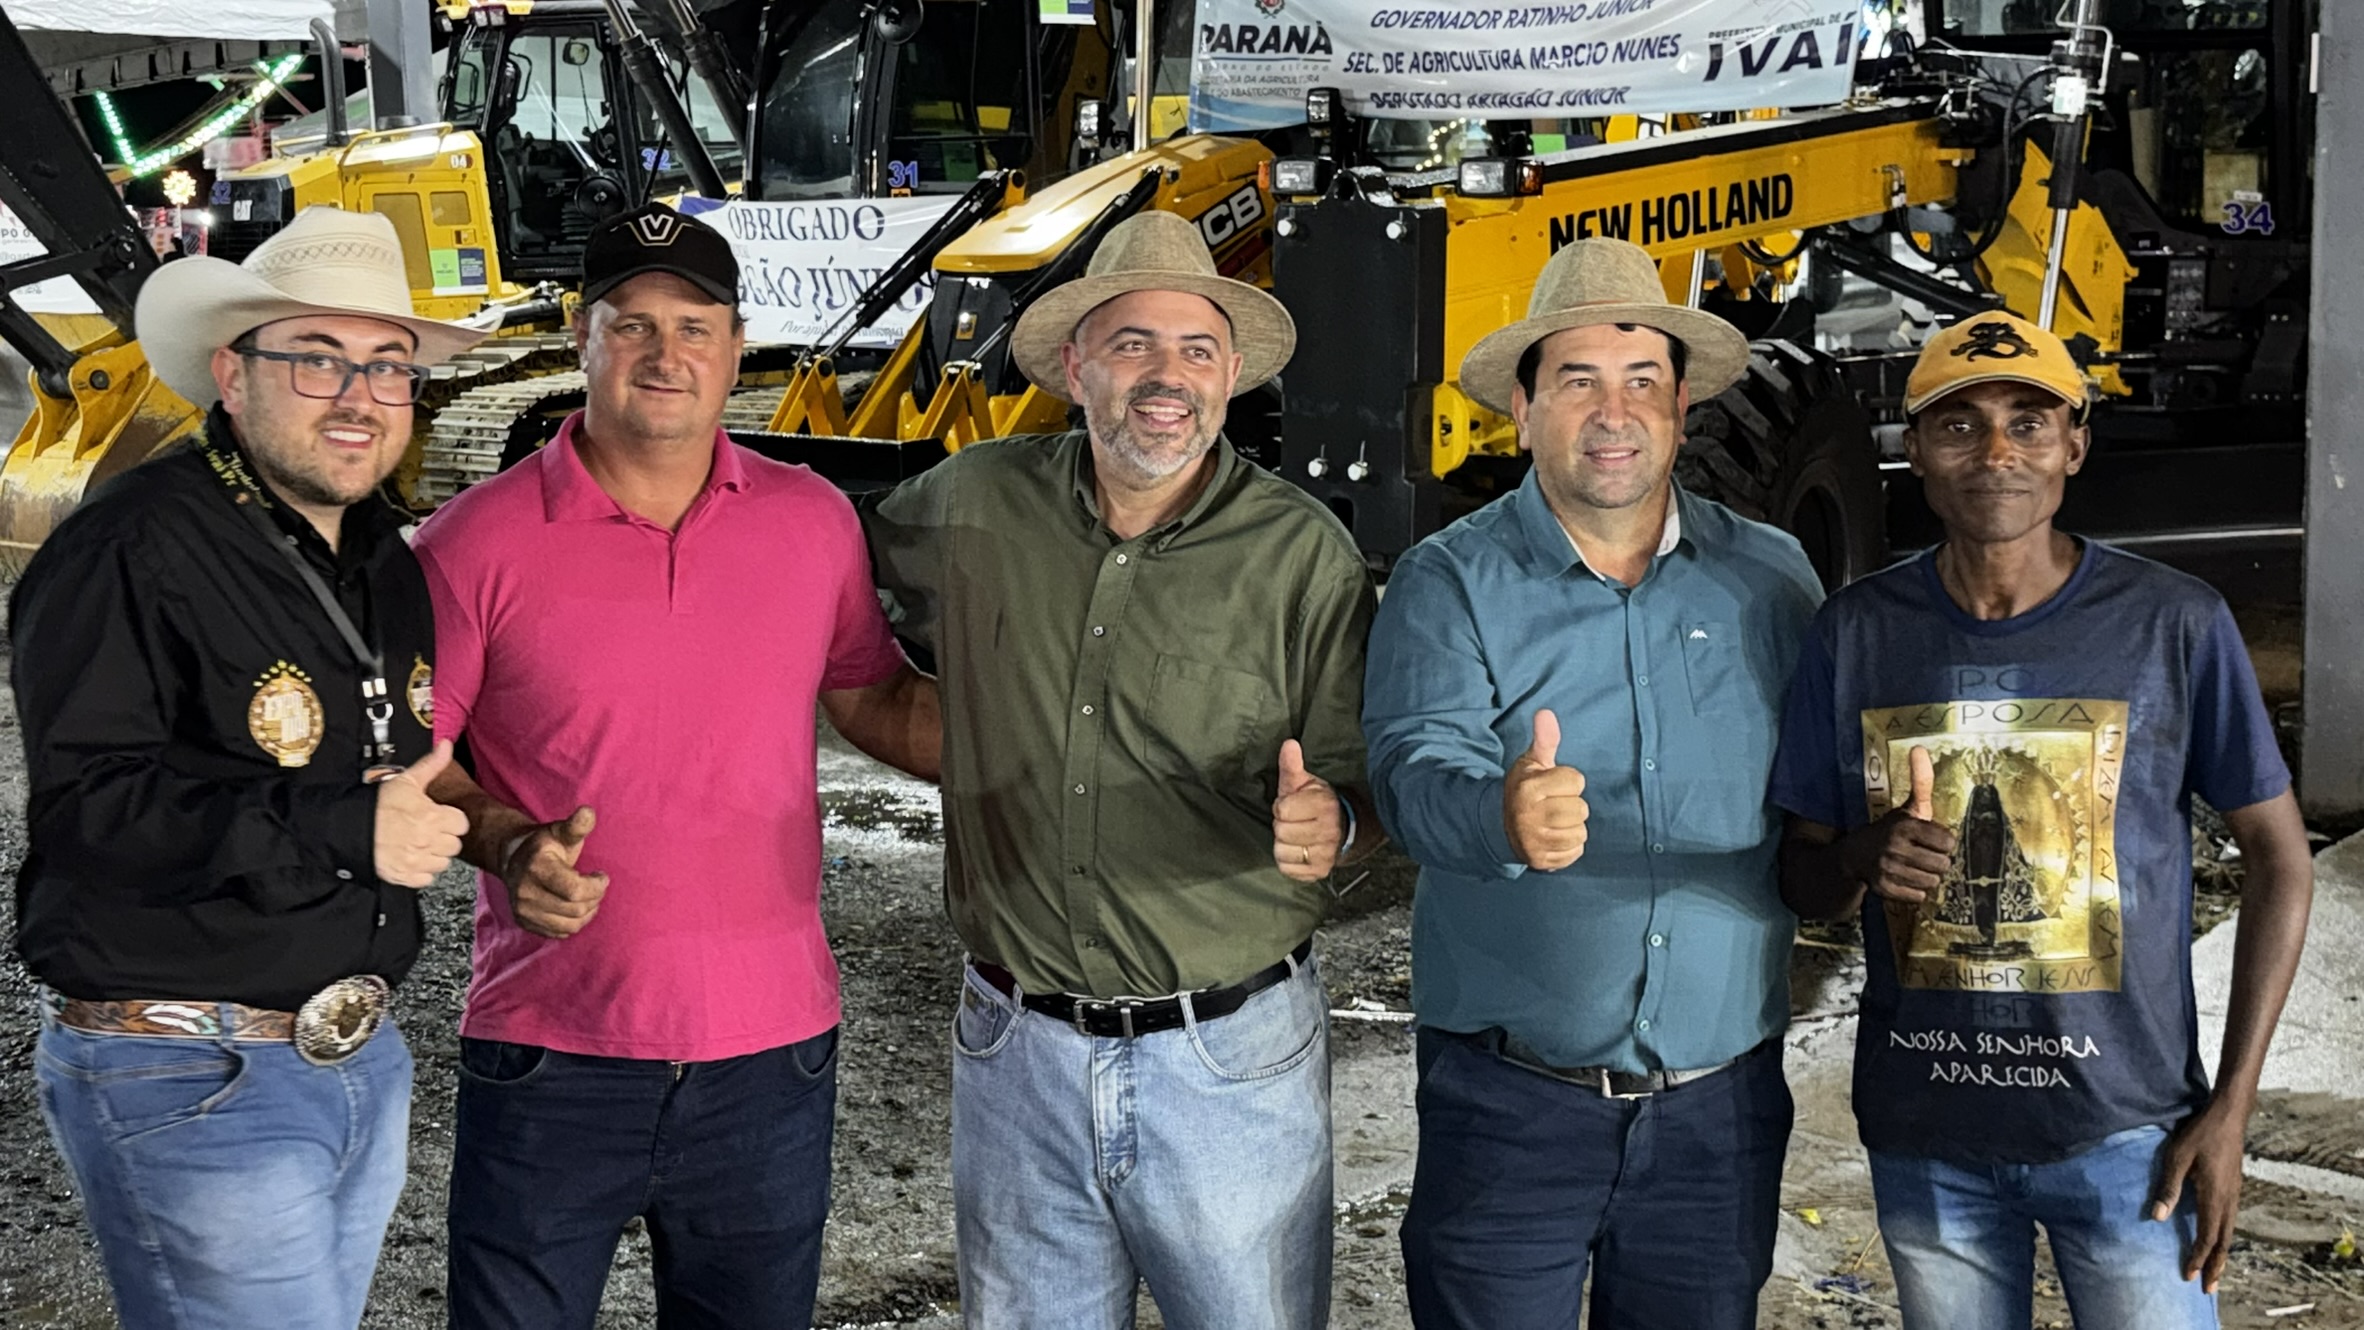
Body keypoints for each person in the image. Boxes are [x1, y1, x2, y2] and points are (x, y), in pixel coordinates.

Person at [413, 202, 940, 1329]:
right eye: (634, 324)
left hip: (771, 1055)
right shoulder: (471, 544)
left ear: (736, 348)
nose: (667, 354)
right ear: (582, 336)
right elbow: (418, 764)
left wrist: (1063, 742)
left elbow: (875, 698)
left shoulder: (811, 522)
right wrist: (509, 845)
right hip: (550, 1051)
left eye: (695, 327)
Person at [861, 209, 1378, 1328]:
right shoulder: (970, 502)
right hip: (1015, 1053)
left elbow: (1364, 787)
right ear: (1075, 365)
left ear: (1230, 376)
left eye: (1196, 350)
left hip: (1228, 1059)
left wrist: (1334, 821)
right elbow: (819, 589)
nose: (1165, 377)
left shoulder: (1303, 556)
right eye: (1132, 343)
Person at [1770, 310, 2313, 1329]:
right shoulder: (1855, 634)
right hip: (1927, 1134)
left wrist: (2232, 1107)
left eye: (2029, 422)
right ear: (1913, 451)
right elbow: (1802, 877)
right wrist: (1861, 857)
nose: (1996, 452)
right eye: (1959, 424)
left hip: (2133, 1135)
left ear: (2075, 446)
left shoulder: (2173, 622)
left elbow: (2280, 858)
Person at [11, 206, 482, 1329]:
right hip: (191, 1072)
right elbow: (89, 808)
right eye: (317, 358)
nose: (358, 396)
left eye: (388, 366)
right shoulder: (131, 545)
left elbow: (389, 758)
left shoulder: (379, 554)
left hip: (352, 1060)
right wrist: (342, 829)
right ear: (232, 373)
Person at [1363, 237, 1823, 1329]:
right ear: (1523, 411)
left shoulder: (1774, 578)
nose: (1614, 414)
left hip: (1721, 1116)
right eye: (1577, 382)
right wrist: (1500, 814)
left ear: (1681, 408)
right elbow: (1410, 774)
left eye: (1642, 382)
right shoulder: (1449, 581)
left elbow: (1826, 785)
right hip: (1509, 1108)